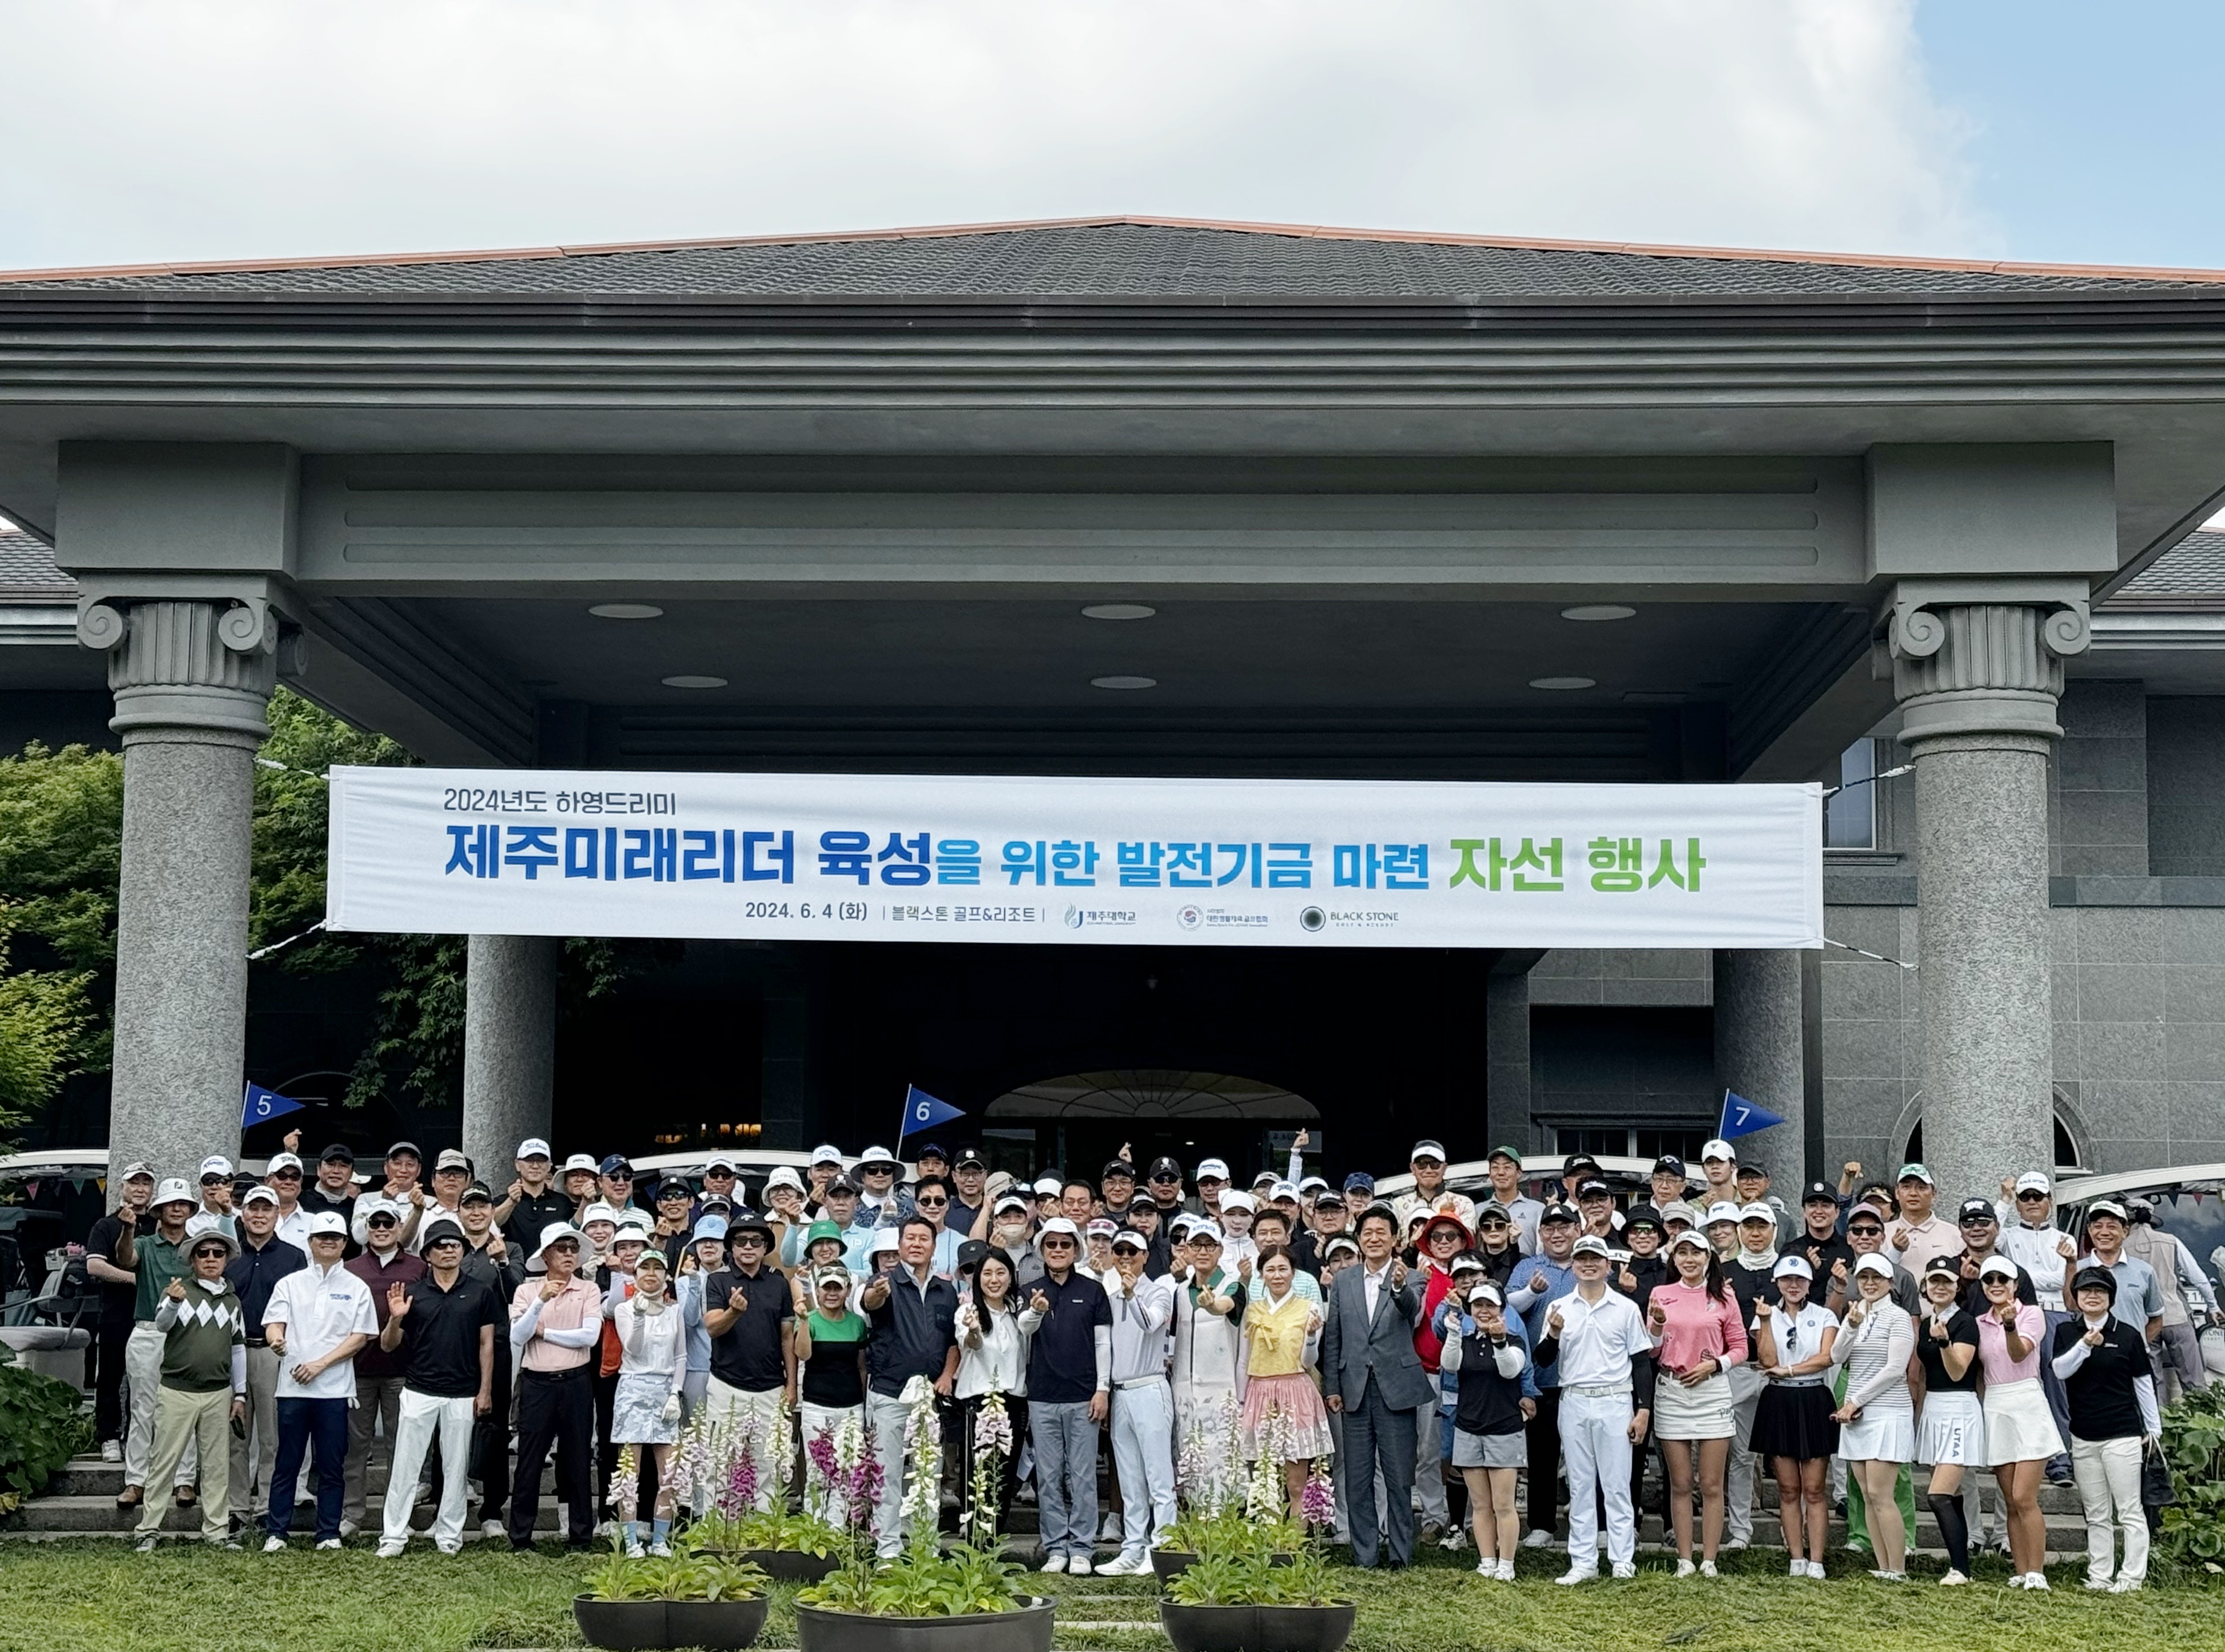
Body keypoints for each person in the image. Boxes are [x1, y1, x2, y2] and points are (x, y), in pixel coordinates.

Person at [1533, 1233, 1652, 1585]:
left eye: (1595, 1259)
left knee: (1616, 1484)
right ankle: (1583, 1561)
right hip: (1574, 1398)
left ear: (1608, 1266)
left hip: (1615, 1399)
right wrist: (1554, 1334)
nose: (1588, 1265)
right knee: (1580, 1483)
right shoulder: (1559, 1308)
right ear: (1573, 1265)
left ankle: (1622, 1559)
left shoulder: (1626, 1308)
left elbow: (1641, 1362)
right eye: (1582, 1259)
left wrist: (1643, 1409)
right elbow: (1543, 1359)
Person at [375, 1218, 496, 1557]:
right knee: (405, 1467)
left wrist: (485, 1390)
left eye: (454, 1245)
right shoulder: (412, 1293)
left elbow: (486, 1344)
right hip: (419, 1390)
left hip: (463, 1392)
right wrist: (396, 1317)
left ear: (463, 1251)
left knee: (456, 1470)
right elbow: (387, 1345)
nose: (448, 1250)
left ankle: (450, 1536)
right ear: (428, 1254)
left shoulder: (480, 1291)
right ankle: (393, 1537)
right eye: (440, 1246)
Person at [1320, 1204, 1428, 1570]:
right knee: (1358, 1477)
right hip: (1354, 1388)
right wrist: (1332, 1387)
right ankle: (1364, 1554)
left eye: (1382, 1232)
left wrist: (1398, 1287)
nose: (1374, 1238)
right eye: (1367, 1233)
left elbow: (1411, 1311)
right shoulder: (1344, 1281)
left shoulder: (1411, 1277)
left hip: (1395, 1387)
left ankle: (1400, 1554)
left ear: (1395, 1239)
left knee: (1398, 1477)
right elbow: (1334, 1337)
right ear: (1359, 1239)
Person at [260, 1211, 376, 1550]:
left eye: (334, 1238)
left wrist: (321, 1364)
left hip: (335, 1391)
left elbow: (360, 1337)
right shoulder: (290, 1283)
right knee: (287, 1463)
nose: (328, 1242)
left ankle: (328, 1533)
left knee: (331, 1466)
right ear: (310, 1242)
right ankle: (276, 1532)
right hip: (293, 1387)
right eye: (322, 1237)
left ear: (344, 1244)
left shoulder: (356, 1287)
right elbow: (274, 1323)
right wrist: (276, 1340)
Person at [133, 1219, 248, 1551]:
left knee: (216, 1466)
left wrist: (240, 1393)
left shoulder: (233, 1301)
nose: (211, 1259)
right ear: (193, 1260)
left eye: (218, 1253)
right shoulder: (178, 1291)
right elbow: (162, 1324)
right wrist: (172, 1302)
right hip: (177, 1391)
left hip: (218, 1393)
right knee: (164, 1462)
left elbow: (238, 1348)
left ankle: (217, 1532)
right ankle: (148, 1530)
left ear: (226, 1260)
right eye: (203, 1253)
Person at [2052, 1264, 2162, 1593]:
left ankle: (2131, 1577)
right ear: (2076, 1297)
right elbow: (2060, 1371)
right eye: (2086, 1290)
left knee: (2129, 1510)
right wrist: (2085, 1345)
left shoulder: (2127, 1334)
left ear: (2111, 1298)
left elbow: (2143, 1383)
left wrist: (2153, 1429)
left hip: (2122, 1434)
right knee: (2096, 1512)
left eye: (2100, 1290)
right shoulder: (2067, 1332)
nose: (2092, 1296)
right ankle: (2100, 1575)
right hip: (2083, 1435)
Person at [1645, 1230, 1747, 1577]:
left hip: (1712, 1390)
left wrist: (1714, 1365)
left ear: (1707, 1258)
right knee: (1680, 1483)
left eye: (1696, 1253)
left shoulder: (1724, 1296)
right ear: (1674, 1259)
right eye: (1682, 1253)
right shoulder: (1662, 1294)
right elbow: (1652, 1349)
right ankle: (1685, 1559)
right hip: (1672, 1390)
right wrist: (1658, 1326)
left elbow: (1740, 1347)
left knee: (1712, 1484)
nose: (1689, 1259)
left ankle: (1710, 1560)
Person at [859, 1215, 960, 1559]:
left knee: (927, 1475)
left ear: (934, 1246)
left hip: (930, 1399)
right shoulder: (883, 1282)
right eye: (910, 1238)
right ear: (900, 1245)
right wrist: (876, 1294)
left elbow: (952, 1341)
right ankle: (888, 1549)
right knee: (887, 1474)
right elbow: (870, 1303)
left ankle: (925, 1549)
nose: (916, 1244)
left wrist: (947, 1375)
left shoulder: (946, 1291)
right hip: (890, 1392)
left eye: (923, 1239)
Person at [1021, 1217, 1112, 1575]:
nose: (1058, 1250)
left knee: (1083, 1475)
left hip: (1083, 1397)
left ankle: (1082, 1548)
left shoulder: (1093, 1290)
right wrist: (1036, 1310)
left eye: (1065, 1244)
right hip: (1042, 1396)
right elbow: (1024, 1329)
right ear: (1042, 1250)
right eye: (1051, 1244)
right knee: (1048, 1476)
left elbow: (1103, 1344)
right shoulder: (1030, 1289)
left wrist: (1102, 1389)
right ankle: (1056, 1547)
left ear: (1076, 1250)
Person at [510, 1224, 604, 1549]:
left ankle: (581, 1536)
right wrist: (540, 1301)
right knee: (530, 1460)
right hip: (537, 1383)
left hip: (576, 1381)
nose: (568, 1254)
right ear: (546, 1255)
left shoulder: (588, 1289)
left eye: (573, 1249)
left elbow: (589, 1337)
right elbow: (518, 1336)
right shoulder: (527, 1291)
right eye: (561, 1248)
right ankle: (520, 1537)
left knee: (577, 1459)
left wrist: (546, 1332)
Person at [113, 1176, 201, 1514]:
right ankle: (136, 1480)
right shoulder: (146, 1244)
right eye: (170, 1204)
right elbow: (125, 1259)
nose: (177, 1209)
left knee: (186, 1409)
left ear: (190, 1210)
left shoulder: (199, 1247)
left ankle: (184, 1480)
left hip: (188, 1332)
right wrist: (127, 1229)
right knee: (143, 1408)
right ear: (159, 1211)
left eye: (183, 1204)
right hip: (149, 1330)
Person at [1748, 1255, 1837, 1580]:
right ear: (1778, 1283)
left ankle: (1817, 1560)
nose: (1794, 1285)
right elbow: (1767, 1359)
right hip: (1780, 1399)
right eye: (1787, 1279)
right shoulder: (1765, 1315)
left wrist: (1789, 1370)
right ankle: (1796, 1557)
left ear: (1810, 1284)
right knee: (1788, 1488)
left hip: (1813, 1396)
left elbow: (1826, 1358)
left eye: (1800, 1280)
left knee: (1814, 1488)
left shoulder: (1825, 1315)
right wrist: (1765, 1322)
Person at [700, 1208, 796, 1509]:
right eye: (741, 1241)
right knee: (720, 1462)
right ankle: (717, 1529)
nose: (748, 1247)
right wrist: (734, 1312)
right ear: (731, 1246)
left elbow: (787, 1337)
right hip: (726, 1385)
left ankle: (763, 1529)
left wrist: (792, 1385)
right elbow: (713, 1328)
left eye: (756, 1241)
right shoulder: (718, 1280)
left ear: (766, 1247)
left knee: (768, 1464)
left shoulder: (779, 1283)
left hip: (770, 1387)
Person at [1829, 1253, 1917, 1581]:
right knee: (1867, 1493)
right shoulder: (1856, 1314)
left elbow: (1895, 1369)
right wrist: (1850, 1327)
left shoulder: (1899, 1317)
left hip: (1887, 1412)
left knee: (1882, 1494)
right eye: (1864, 1277)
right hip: (1858, 1414)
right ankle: (1884, 1567)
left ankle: (1898, 1568)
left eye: (1877, 1277)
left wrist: (1855, 1401)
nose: (1869, 1283)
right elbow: (1837, 1356)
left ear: (1890, 1283)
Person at [342, 1196, 427, 1535]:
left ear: (399, 1227)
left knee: (400, 1448)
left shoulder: (418, 1267)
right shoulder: (350, 1268)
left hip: (402, 1371)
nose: (380, 1229)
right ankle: (352, 1515)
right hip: (358, 1370)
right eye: (374, 1223)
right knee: (355, 1448)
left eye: (387, 1223)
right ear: (366, 1228)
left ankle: (397, 1518)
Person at [1439, 1277, 1533, 1581]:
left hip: (1504, 1429)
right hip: (1469, 1428)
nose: (1483, 1311)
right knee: (1480, 1505)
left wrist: (1500, 1340)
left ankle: (1507, 1563)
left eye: (1490, 1305)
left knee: (1503, 1505)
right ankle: (1487, 1560)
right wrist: (1454, 1333)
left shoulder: (1514, 1340)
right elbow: (1450, 1364)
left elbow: (1510, 1370)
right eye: (1478, 1305)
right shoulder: (1465, 1341)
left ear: (1501, 1309)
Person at [225, 1184, 304, 1536]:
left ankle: (268, 1508)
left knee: (273, 1437)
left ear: (276, 1214)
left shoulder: (294, 1257)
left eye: (266, 1209)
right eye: (253, 1209)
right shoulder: (227, 1255)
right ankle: (236, 1508)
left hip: (274, 1354)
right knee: (236, 1437)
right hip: (233, 1352)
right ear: (243, 1214)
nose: (259, 1216)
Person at [1974, 1255, 2057, 1589]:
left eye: (2002, 1280)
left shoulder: (2032, 1314)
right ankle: (2022, 1572)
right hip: (1996, 1403)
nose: (1996, 1285)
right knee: (2010, 1499)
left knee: (2024, 1496)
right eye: (1989, 1280)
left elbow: (2019, 1353)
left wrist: (2010, 1325)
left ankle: (2037, 1572)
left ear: (2015, 1285)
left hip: (2027, 1401)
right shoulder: (1979, 1322)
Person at [1100, 1229, 1179, 1575]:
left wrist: (1132, 1295)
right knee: (1130, 1478)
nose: (1125, 1257)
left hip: (1150, 1388)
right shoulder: (1110, 1296)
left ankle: (1162, 1546)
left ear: (1145, 1256)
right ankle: (1133, 1548)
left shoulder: (1159, 1291)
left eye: (1133, 1251)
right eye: (1120, 1251)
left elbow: (1150, 1324)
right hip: (1121, 1392)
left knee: (1158, 1476)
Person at [1996, 1171, 2082, 1484]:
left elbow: (2065, 1285)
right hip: (2017, 1316)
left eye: (2038, 1196)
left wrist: (2024, 1276)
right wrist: (2004, 1200)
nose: (2032, 1202)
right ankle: (2021, 1455)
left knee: (2056, 1388)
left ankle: (2060, 1460)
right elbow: (1990, 1235)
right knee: (2021, 1387)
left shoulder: (2065, 1239)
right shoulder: (2008, 1236)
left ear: (2049, 1201)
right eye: (2025, 1197)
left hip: (2056, 1315)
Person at [1506, 1202, 1579, 1549]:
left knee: (1585, 1458)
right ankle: (1541, 1525)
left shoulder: (1589, 1263)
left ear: (1577, 1230)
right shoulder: (1527, 1267)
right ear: (1541, 1234)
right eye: (1549, 1228)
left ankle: (1591, 1524)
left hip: (1582, 1380)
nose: (1557, 1234)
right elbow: (1507, 1307)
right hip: (1540, 1378)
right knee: (1542, 1457)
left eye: (1564, 1227)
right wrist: (1532, 1291)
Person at [607, 1247, 688, 1556]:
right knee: (630, 1471)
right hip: (633, 1387)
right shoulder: (625, 1309)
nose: (651, 1274)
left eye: (657, 1268)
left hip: (665, 1389)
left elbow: (680, 1356)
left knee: (669, 1473)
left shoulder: (674, 1311)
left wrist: (676, 1393)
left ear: (666, 1276)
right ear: (636, 1274)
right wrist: (640, 1317)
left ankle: (660, 1540)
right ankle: (630, 1541)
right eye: (645, 1268)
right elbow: (633, 1349)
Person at [457, 1181, 524, 1538]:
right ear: (459, 1212)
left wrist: (501, 1262)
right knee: (452, 1426)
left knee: (495, 1427)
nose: (476, 1212)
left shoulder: (509, 1247)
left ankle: (492, 1511)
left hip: (496, 1347)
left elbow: (517, 1293)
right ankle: (449, 1505)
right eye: (469, 1206)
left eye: (482, 1206)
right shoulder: (450, 1246)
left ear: (492, 1211)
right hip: (455, 1349)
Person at [1910, 1256, 1983, 1585]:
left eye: (1947, 1282)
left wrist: (1944, 1342)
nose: (1940, 1287)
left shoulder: (1965, 1323)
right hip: (1934, 1408)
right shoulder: (1928, 1322)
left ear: (1957, 1286)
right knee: (1951, 1496)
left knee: (1938, 1495)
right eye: (1934, 1281)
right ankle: (1961, 1565)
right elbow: (1925, 1374)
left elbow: (1957, 1371)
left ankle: (1960, 1569)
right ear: (1926, 1286)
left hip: (1959, 1408)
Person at [1719, 1201, 1782, 1552]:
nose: (1755, 1234)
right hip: (1740, 1371)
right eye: (1749, 1227)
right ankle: (1740, 1530)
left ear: (1774, 1230)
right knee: (1742, 1455)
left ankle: (1796, 1529)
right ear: (1740, 1231)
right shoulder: (1724, 1270)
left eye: (1762, 1227)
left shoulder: (1789, 1268)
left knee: (1789, 1455)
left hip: (1782, 1371)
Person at [954, 1248, 1029, 1530]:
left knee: (1004, 1476)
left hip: (1013, 1402)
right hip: (980, 1402)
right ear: (978, 1279)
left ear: (1011, 1277)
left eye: (1000, 1273)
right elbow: (972, 1344)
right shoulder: (968, 1311)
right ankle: (975, 1537)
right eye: (987, 1274)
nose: (994, 1280)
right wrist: (974, 1329)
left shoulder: (1017, 1314)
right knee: (978, 1475)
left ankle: (995, 1535)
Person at [1169, 1225, 1244, 1504]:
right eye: (1196, 1245)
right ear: (1187, 1251)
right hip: (1184, 1393)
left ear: (1220, 1250)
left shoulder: (1234, 1285)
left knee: (1222, 1462)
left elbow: (1225, 1306)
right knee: (1188, 1460)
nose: (1203, 1251)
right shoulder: (1180, 1291)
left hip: (1221, 1393)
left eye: (1209, 1245)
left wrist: (1212, 1305)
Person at [85, 1163, 154, 1466]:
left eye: (146, 1183)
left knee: (146, 1380)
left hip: (150, 1315)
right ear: (122, 1187)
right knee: (110, 1377)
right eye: (134, 1183)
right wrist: (136, 1279)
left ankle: (138, 1437)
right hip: (116, 1313)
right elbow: (94, 1265)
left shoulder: (158, 1224)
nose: (140, 1188)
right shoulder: (106, 1225)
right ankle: (109, 1437)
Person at [2122, 1197, 2217, 1396]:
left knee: (2152, 1383)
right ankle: (2201, 1414)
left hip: (2142, 1321)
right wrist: (2213, 1306)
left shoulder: (2122, 1247)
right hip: (2176, 1315)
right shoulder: (2170, 1241)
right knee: (2194, 1381)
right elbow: (2198, 1278)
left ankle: (2158, 1416)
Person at [791, 1264, 870, 1444]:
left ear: (848, 1290)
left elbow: (862, 1368)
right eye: (827, 1288)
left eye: (838, 1288)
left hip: (852, 1407)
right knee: (817, 1462)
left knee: (851, 1460)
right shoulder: (809, 1320)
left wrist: (863, 1401)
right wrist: (803, 1321)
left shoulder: (857, 1323)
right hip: (817, 1407)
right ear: (817, 1290)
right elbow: (803, 1355)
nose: (832, 1293)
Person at [1888, 1164, 1958, 1277]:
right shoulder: (1880, 1233)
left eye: (1921, 1188)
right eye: (1906, 1187)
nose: (1913, 1193)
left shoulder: (1955, 1235)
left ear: (1934, 1194)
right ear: (1897, 1192)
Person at [1483, 1148, 1543, 1253]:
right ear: (1490, 1174)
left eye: (1507, 1167)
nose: (1501, 1173)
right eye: (1495, 1168)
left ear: (1519, 1173)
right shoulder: (1479, 1210)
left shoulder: (1538, 1209)